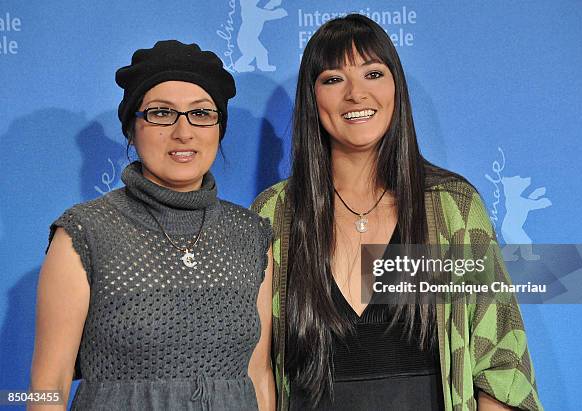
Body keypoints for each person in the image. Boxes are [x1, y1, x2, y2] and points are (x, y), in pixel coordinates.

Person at [251, 14, 543, 411]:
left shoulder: (450, 206)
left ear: (396, 88)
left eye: (373, 73)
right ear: (312, 97)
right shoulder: (275, 214)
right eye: (334, 79)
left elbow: (501, 369)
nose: (355, 94)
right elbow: (256, 370)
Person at [30, 40, 275, 410]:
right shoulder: (84, 232)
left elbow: (257, 375)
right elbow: (49, 383)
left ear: (218, 127)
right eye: (161, 113)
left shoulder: (251, 235)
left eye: (201, 113)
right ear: (132, 128)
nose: (183, 132)